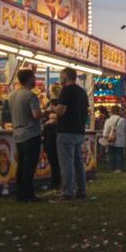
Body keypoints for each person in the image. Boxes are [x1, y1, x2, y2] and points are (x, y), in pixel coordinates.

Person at [53, 67, 89, 201]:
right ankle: (82, 189)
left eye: (61, 76)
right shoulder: (82, 92)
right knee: (78, 162)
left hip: (66, 130)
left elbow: (61, 111)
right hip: (79, 130)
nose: (60, 79)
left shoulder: (66, 91)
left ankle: (68, 191)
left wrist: (52, 108)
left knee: (66, 162)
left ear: (66, 77)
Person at [8, 68, 43, 202]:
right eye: (34, 78)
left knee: (21, 164)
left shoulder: (12, 96)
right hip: (31, 134)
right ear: (29, 79)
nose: (35, 80)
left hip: (18, 134)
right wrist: (44, 113)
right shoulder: (31, 95)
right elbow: (36, 115)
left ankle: (20, 193)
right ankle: (28, 194)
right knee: (30, 165)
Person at [42, 97, 62, 190]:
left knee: (54, 163)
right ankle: (57, 181)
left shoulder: (51, 122)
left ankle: (56, 182)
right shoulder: (55, 121)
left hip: (52, 143)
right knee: (56, 163)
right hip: (54, 143)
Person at [102, 104, 126, 173]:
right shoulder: (123, 120)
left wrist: (106, 137)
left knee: (111, 154)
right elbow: (125, 130)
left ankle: (112, 168)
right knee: (119, 154)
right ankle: (119, 168)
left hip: (111, 139)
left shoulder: (108, 120)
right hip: (120, 139)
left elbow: (105, 131)